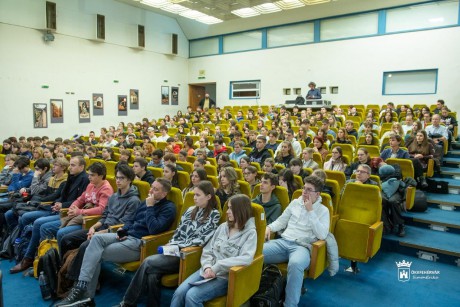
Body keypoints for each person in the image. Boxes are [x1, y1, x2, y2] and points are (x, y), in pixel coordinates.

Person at [54, 178, 177, 306]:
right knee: (95, 239)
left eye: (155, 189)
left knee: (95, 254)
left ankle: (85, 295)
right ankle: (82, 287)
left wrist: (150, 207)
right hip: (127, 236)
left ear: (164, 194)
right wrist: (123, 229)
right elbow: (131, 220)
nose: (151, 191)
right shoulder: (144, 202)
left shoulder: (168, 208)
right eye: (151, 187)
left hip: (139, 243)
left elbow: (154, 229)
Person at [115, 181, 220, 306]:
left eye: (198, 195)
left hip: (186, 255)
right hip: (173, 251)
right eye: (194, 195)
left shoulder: (214, 215)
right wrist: (170, 245)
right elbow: (178, 232)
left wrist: (178, 247)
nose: (194, 198)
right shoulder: (190, 210)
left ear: (208, 196)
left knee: (148, 262)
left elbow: (202, 239)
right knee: (152, 275)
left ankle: (127, 303)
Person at [170, 194, 257, 307]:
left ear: (240, 210)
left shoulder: (250, 233)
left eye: (231, 208)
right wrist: (207, 267)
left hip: (225, 277)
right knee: (179, 292)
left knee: (192, 296)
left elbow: (246, 258)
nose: (227, 211)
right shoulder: (223, 227)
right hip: (207, 269)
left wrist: (217, 266)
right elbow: (208, 250)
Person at [9, 156, 90, 274]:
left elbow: (79, 201)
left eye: (73, 165)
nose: (70, 167)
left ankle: (42, 261)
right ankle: (30, 256)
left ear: (82, 167)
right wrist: (59, 203)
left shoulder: (85, 180)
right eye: (70, 164)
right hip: (61, 209)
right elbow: (62, 196)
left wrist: (61, 205)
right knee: (31, 220)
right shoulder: (72, 177)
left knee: (40, 224)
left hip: (70, 213)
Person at [60, 164, 140, 280]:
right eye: (117, 177)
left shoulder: (134, 200)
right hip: (102, 228)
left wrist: (101, 232)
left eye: (121, 178)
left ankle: (72, 278)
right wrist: (93, 227)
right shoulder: (113, 196)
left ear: (129, 180)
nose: (117, 180)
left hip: (114, 233)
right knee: (66, 239)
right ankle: (64, 268)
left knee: (84, 246)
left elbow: (124, 225)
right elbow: (105, 215)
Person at [263, 176, 329, 307]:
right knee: (255, 251)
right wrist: (269, 227)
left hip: (302, 247)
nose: (304, 192)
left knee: (295, 264)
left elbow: (322, 235)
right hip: (283, 241)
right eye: (304, 188)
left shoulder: (323, 210)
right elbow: (281, 222)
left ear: (317, 194)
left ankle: (290, 304)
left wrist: (310, 211)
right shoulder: (295, 203)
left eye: (309, 190)